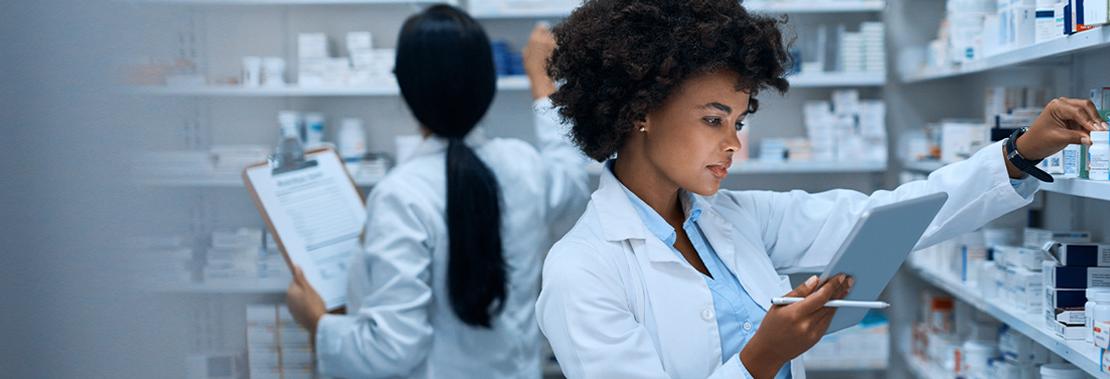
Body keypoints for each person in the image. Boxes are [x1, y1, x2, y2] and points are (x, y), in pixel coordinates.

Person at [534, 1, 1109, 378]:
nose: (734, 143)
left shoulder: (729, 218)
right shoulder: (582, 271)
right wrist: (762, 356)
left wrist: (1020, 151)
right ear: (640, 112)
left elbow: (889, 216)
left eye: (738, 121)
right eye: (713, 120)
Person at [284, 5, 589, 378]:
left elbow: (392, 350)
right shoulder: (524, 167)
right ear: (487, 84)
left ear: (407, 89)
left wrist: (316, 322)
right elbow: (572, 180)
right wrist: (543, 86)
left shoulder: (402, 194)